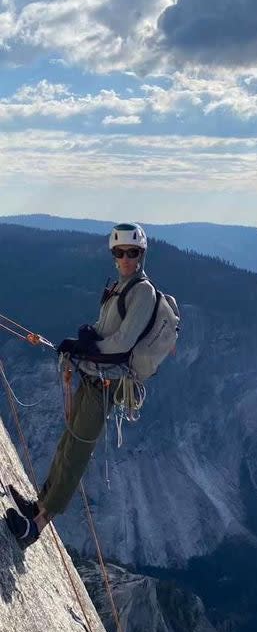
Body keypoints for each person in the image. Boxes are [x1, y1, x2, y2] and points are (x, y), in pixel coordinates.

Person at [6, 223, 157, 548]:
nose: (126, 258)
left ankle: (36, 527)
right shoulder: (120, 287)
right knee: (67, 443)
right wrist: (84, 343)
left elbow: (123, 342)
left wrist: (85, 347)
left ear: (141, 254)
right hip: (96, 375)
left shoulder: (142, 292)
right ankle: (38, 505)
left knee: (76, 452)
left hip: (110, 383)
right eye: (120, 252)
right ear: (114, 256)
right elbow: (107, 332)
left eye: (132, 252)